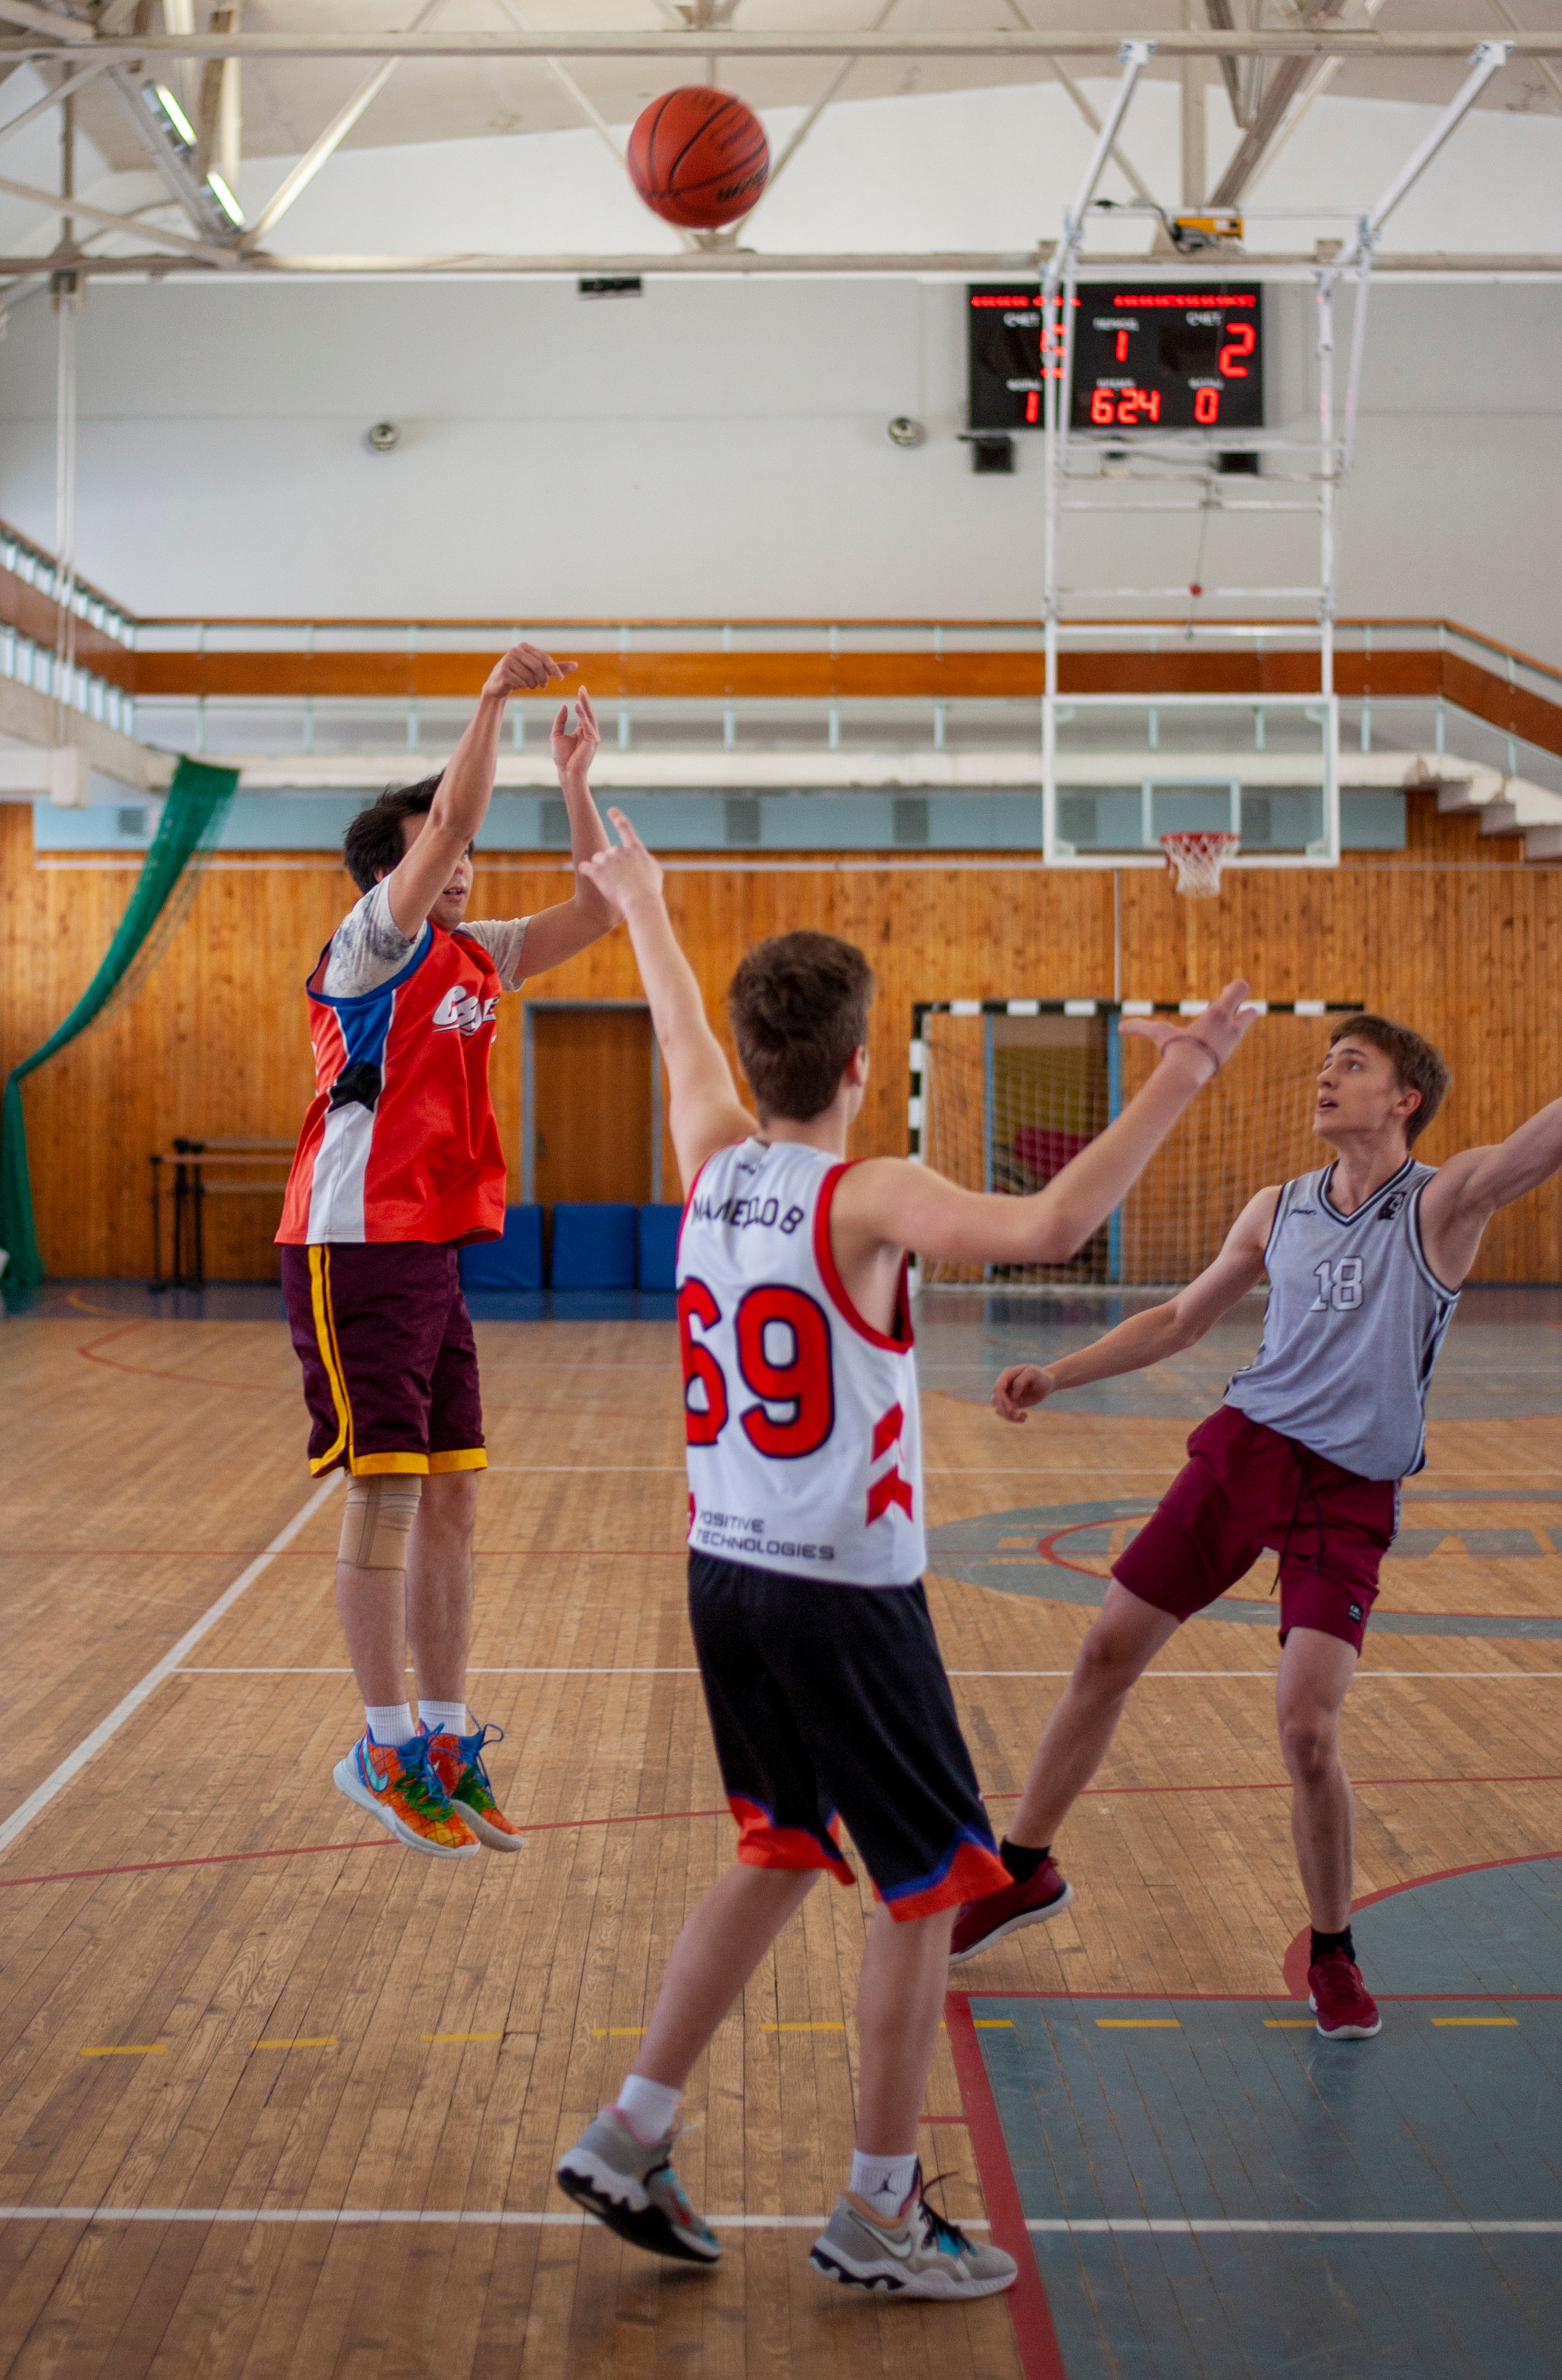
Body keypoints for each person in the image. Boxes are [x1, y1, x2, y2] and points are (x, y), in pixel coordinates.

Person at [552, 810, 1256, 2299]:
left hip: (722, 1576)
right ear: (864, 1063)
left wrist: (642, 903)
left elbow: (674, 1021)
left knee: (776, 1847)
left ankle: (633, 2127)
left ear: (754, 1064)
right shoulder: (861, 1199)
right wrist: (1183, 1071)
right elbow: (1060, 1222)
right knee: (931, 1884)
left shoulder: (707, 1161)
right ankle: (880, 2207)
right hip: (839, 1595)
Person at [952, 1013, 1562, 2043]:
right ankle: (1023, 1866)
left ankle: (1333, 1948)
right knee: (1104, 1649)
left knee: (1307, 1726)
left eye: (1353, 1063)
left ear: (1405, 1097)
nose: (1327, 1074)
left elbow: (1537, 1146)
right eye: (1327, 1060)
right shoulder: (1277, 1206)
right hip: (1246, 1449)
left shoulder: (1442, 1205)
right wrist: (1058, 1372)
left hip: (1349, 1488)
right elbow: (1181, 1319)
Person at [277, 646, 616, 1863]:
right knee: (387, 1488)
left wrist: (574, 776)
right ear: (396, 869)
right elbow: (459, 809)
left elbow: (605, 901)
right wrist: (493, 701)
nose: (465, 858)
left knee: (456, 1493)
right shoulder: (373, 942)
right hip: (354, 1240)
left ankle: (443, 1735)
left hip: (431, 1249)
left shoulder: (480, 956)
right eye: (442, 847)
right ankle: (376, 1744)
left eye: (464, 850)